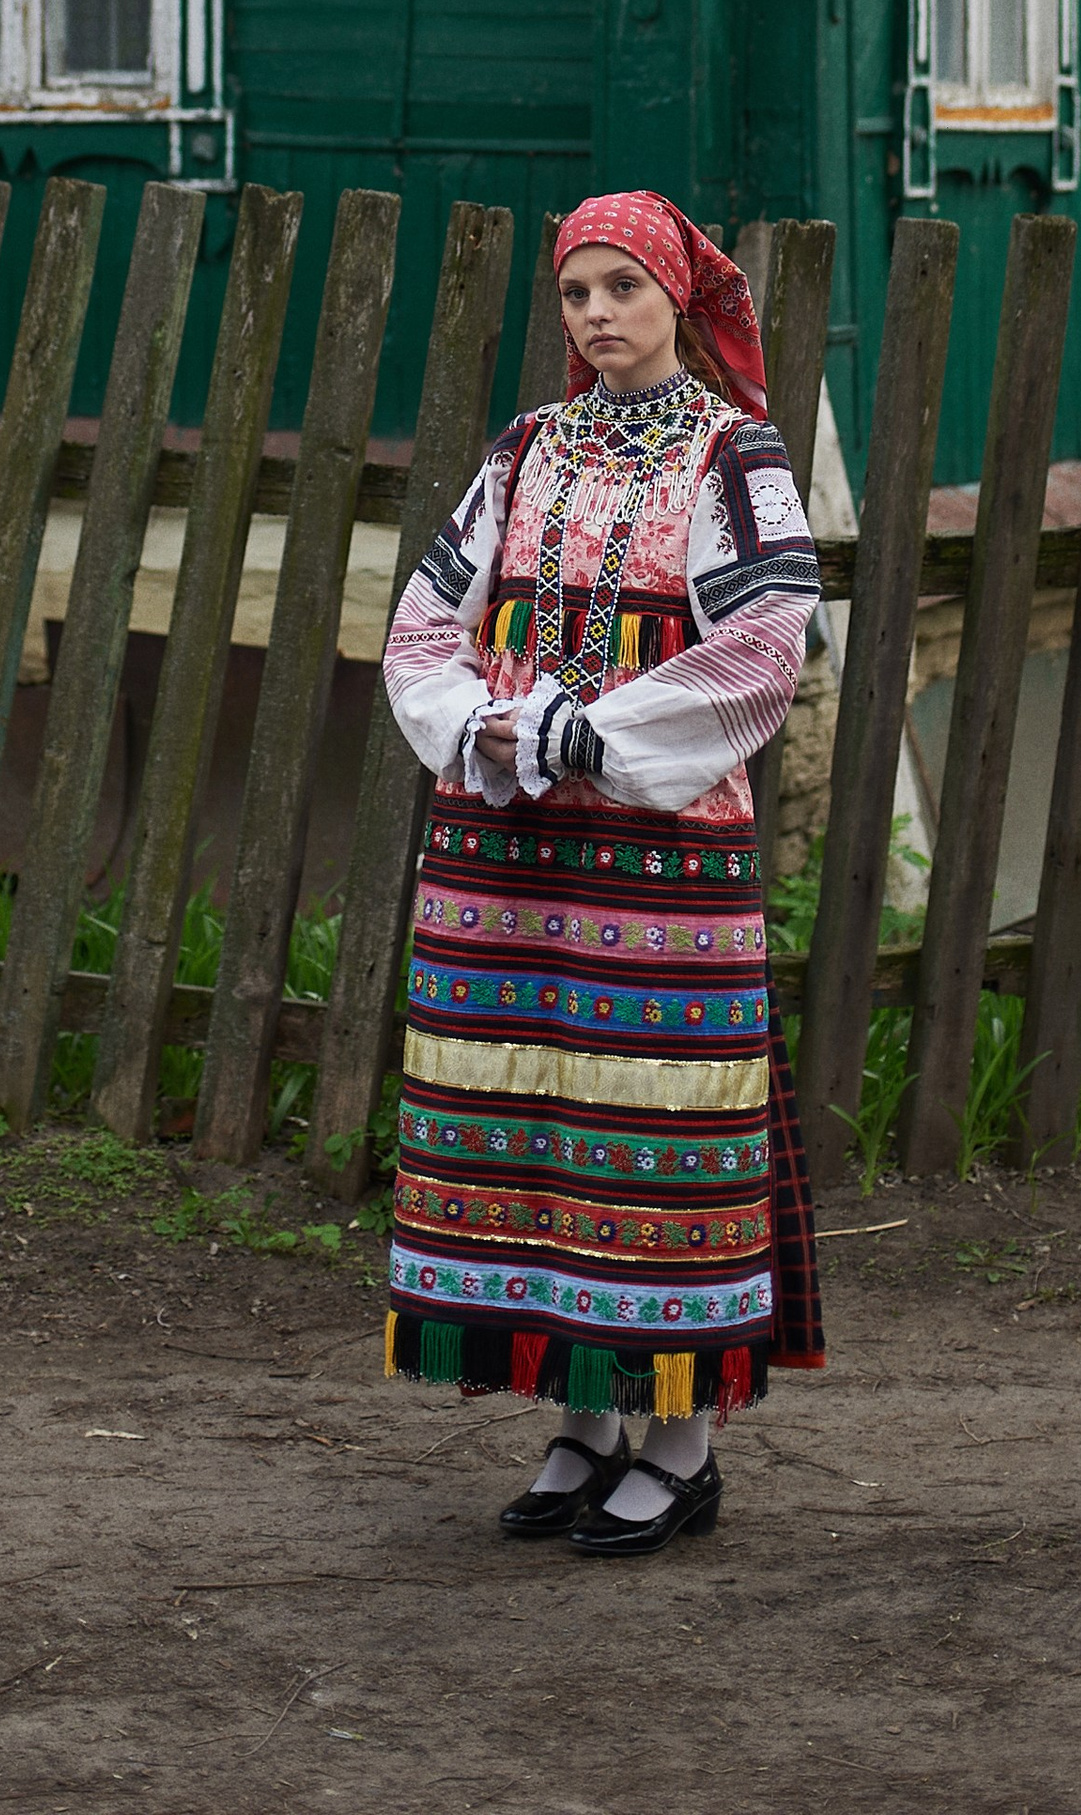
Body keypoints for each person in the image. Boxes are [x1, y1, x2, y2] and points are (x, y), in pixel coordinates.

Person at [378, 190, 824, 1558]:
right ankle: (580, 1419)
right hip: (503, 838)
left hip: (653, 849)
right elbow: (423, 619)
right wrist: (479, 724)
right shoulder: (525, 449)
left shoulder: (733, 457)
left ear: (680, 300)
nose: (598, 316)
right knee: (526, 1121)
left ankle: (680, 1444)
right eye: (577, 294)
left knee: (645, 1125)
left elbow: (763, 644)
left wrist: (599, 732)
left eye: (623, 288)